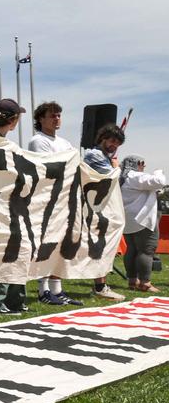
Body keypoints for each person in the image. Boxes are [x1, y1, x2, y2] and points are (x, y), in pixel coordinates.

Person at [25, 101, 83, 306]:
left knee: (61, 245)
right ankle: (44, 290)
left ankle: (57, 290)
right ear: (41, 119)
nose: (57, 119)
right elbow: (51, 167)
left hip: (64, 199)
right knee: (46, 244)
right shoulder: (38, 141)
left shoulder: (65, 143)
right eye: (52, 115)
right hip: (47, 199)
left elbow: (74, 164)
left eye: (59, 115)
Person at [0, 99, 30, 314]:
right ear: (14, 121)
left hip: (10, 204)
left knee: (19, 249)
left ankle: (15, 298)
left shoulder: (0, 143)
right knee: (2, 251)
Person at [82, 124, 127, 301]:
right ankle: (100, 287)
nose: (114, 145)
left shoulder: (104, 157)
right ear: (102, 138)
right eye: (112, 141)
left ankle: (101, 286)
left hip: (102, 207)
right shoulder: (94, 155)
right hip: (94, 208)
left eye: (117, 143)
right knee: (100, 246)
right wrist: (117, 167)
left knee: (103, 247)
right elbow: (112, 178)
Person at [119, 155, 165, 293]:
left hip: (128, 220)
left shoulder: (122, 178)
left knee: (131, 250)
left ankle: (133, 281)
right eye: (141, 162)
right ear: (135, 163)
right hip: (142, 220)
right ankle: (145, 283)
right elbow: (159, 181)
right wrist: (158, 171)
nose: (144, 165)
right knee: (146, 250)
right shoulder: (134, 176)